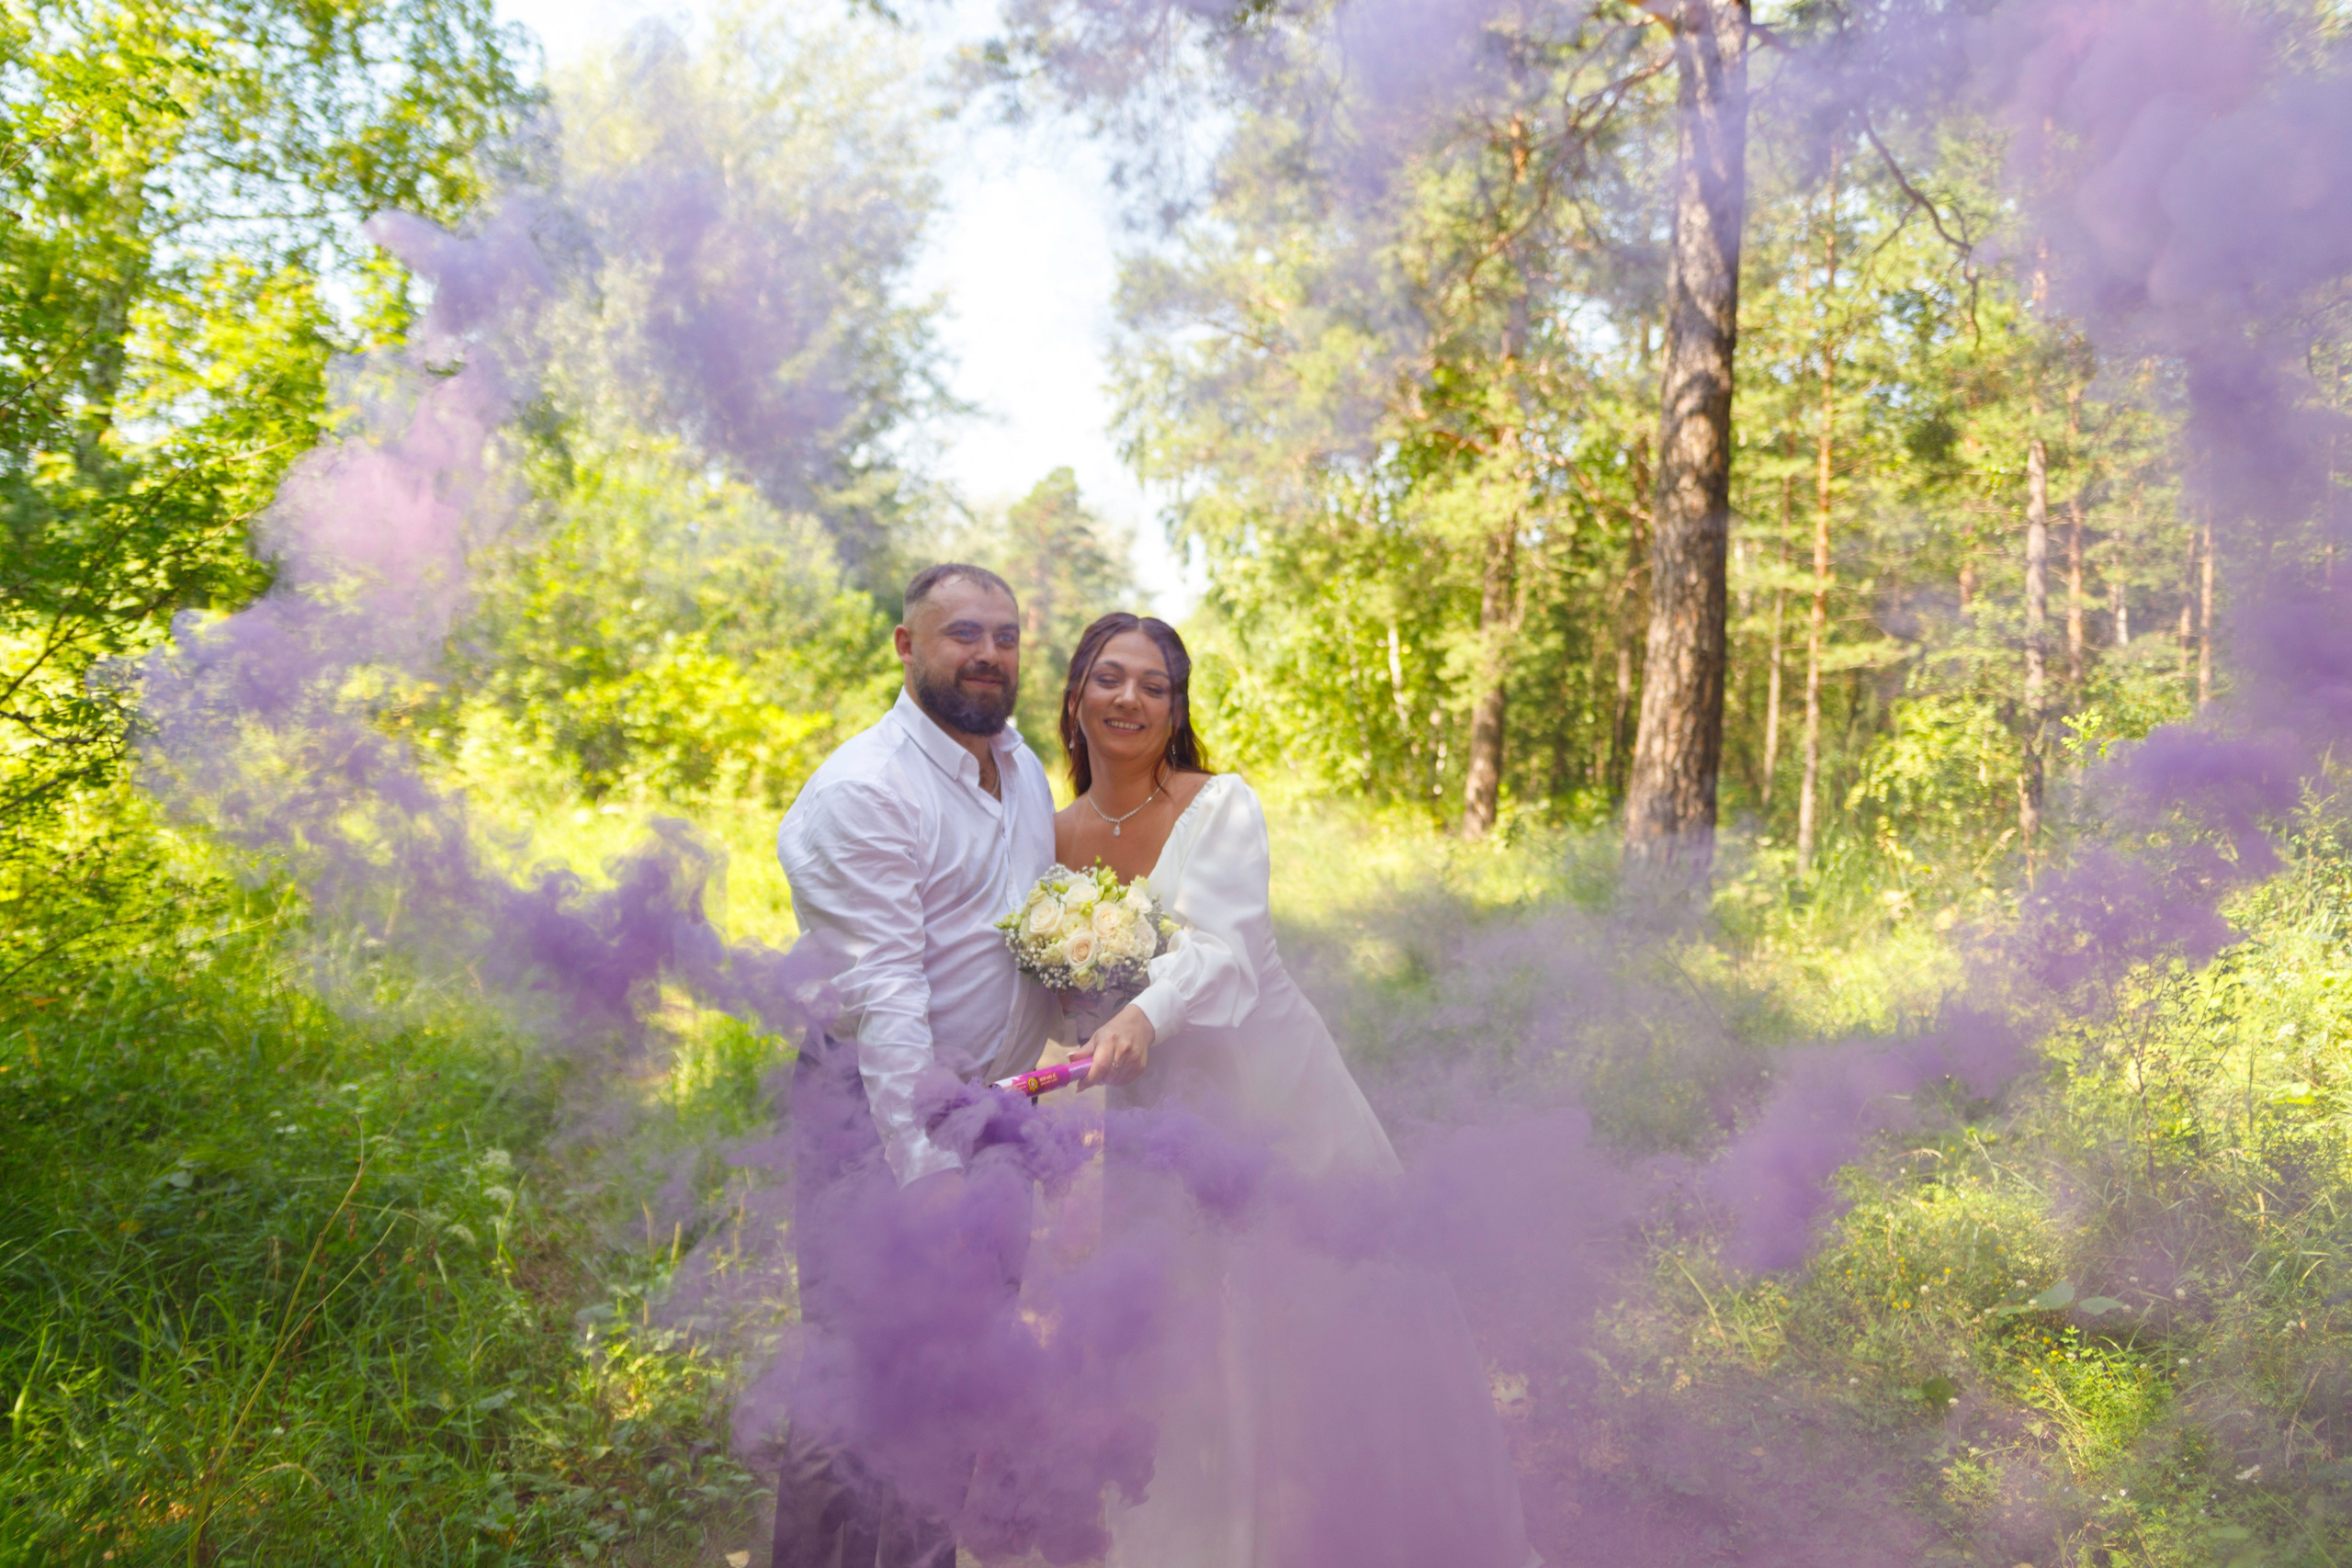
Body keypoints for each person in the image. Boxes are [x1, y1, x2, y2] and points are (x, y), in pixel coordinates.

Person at [1054, 612, 1538, 1568]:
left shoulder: (1221, 805)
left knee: (1308, 1319)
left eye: (1154, 685)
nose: (1130, 699)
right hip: (1153, 1119)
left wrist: (1141, 1017)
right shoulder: (1049, 830)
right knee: (1179, 1329)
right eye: (1109, 678)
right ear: (1074, 696)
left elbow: (1222, 949)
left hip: (1271, 1100)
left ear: (1177, 708)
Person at [771, 563, 1058, 1568]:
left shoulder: (1021, 769)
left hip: (991, 1114)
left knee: (957, 1383)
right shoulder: (865, 790)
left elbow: (1010, 942)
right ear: (905, 645)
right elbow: (886, 999)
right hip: (874, 1117)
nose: (987, 653)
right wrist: (928, 1176)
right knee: (856, 1386)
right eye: (961, 632)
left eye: (1006, 636)